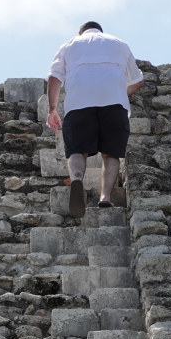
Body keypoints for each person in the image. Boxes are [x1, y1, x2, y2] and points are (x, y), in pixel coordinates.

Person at [46, 21, 144, 217]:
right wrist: (118, 93)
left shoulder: (70, 44)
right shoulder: (119, 43)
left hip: (79, 102)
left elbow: (54, 78)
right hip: (114, 102)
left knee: (76, 150)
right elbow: (137, 81)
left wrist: (52, 110)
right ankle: (105, 198)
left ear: (80, 32)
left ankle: (76, 179)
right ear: (101, 31)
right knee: (111, 153)